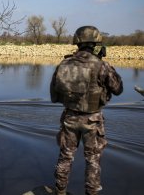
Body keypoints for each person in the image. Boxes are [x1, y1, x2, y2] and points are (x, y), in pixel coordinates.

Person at [50, 26, 123, 195]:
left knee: (65, 157)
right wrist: (103, 62)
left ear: (77, 43)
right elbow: (118, 88)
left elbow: (54, 95)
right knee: (93, 160)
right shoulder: (101, 65)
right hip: (92, 120)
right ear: (95, 44)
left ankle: (60, 191)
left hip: (69, 117)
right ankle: (91, 192)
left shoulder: (64, 64)